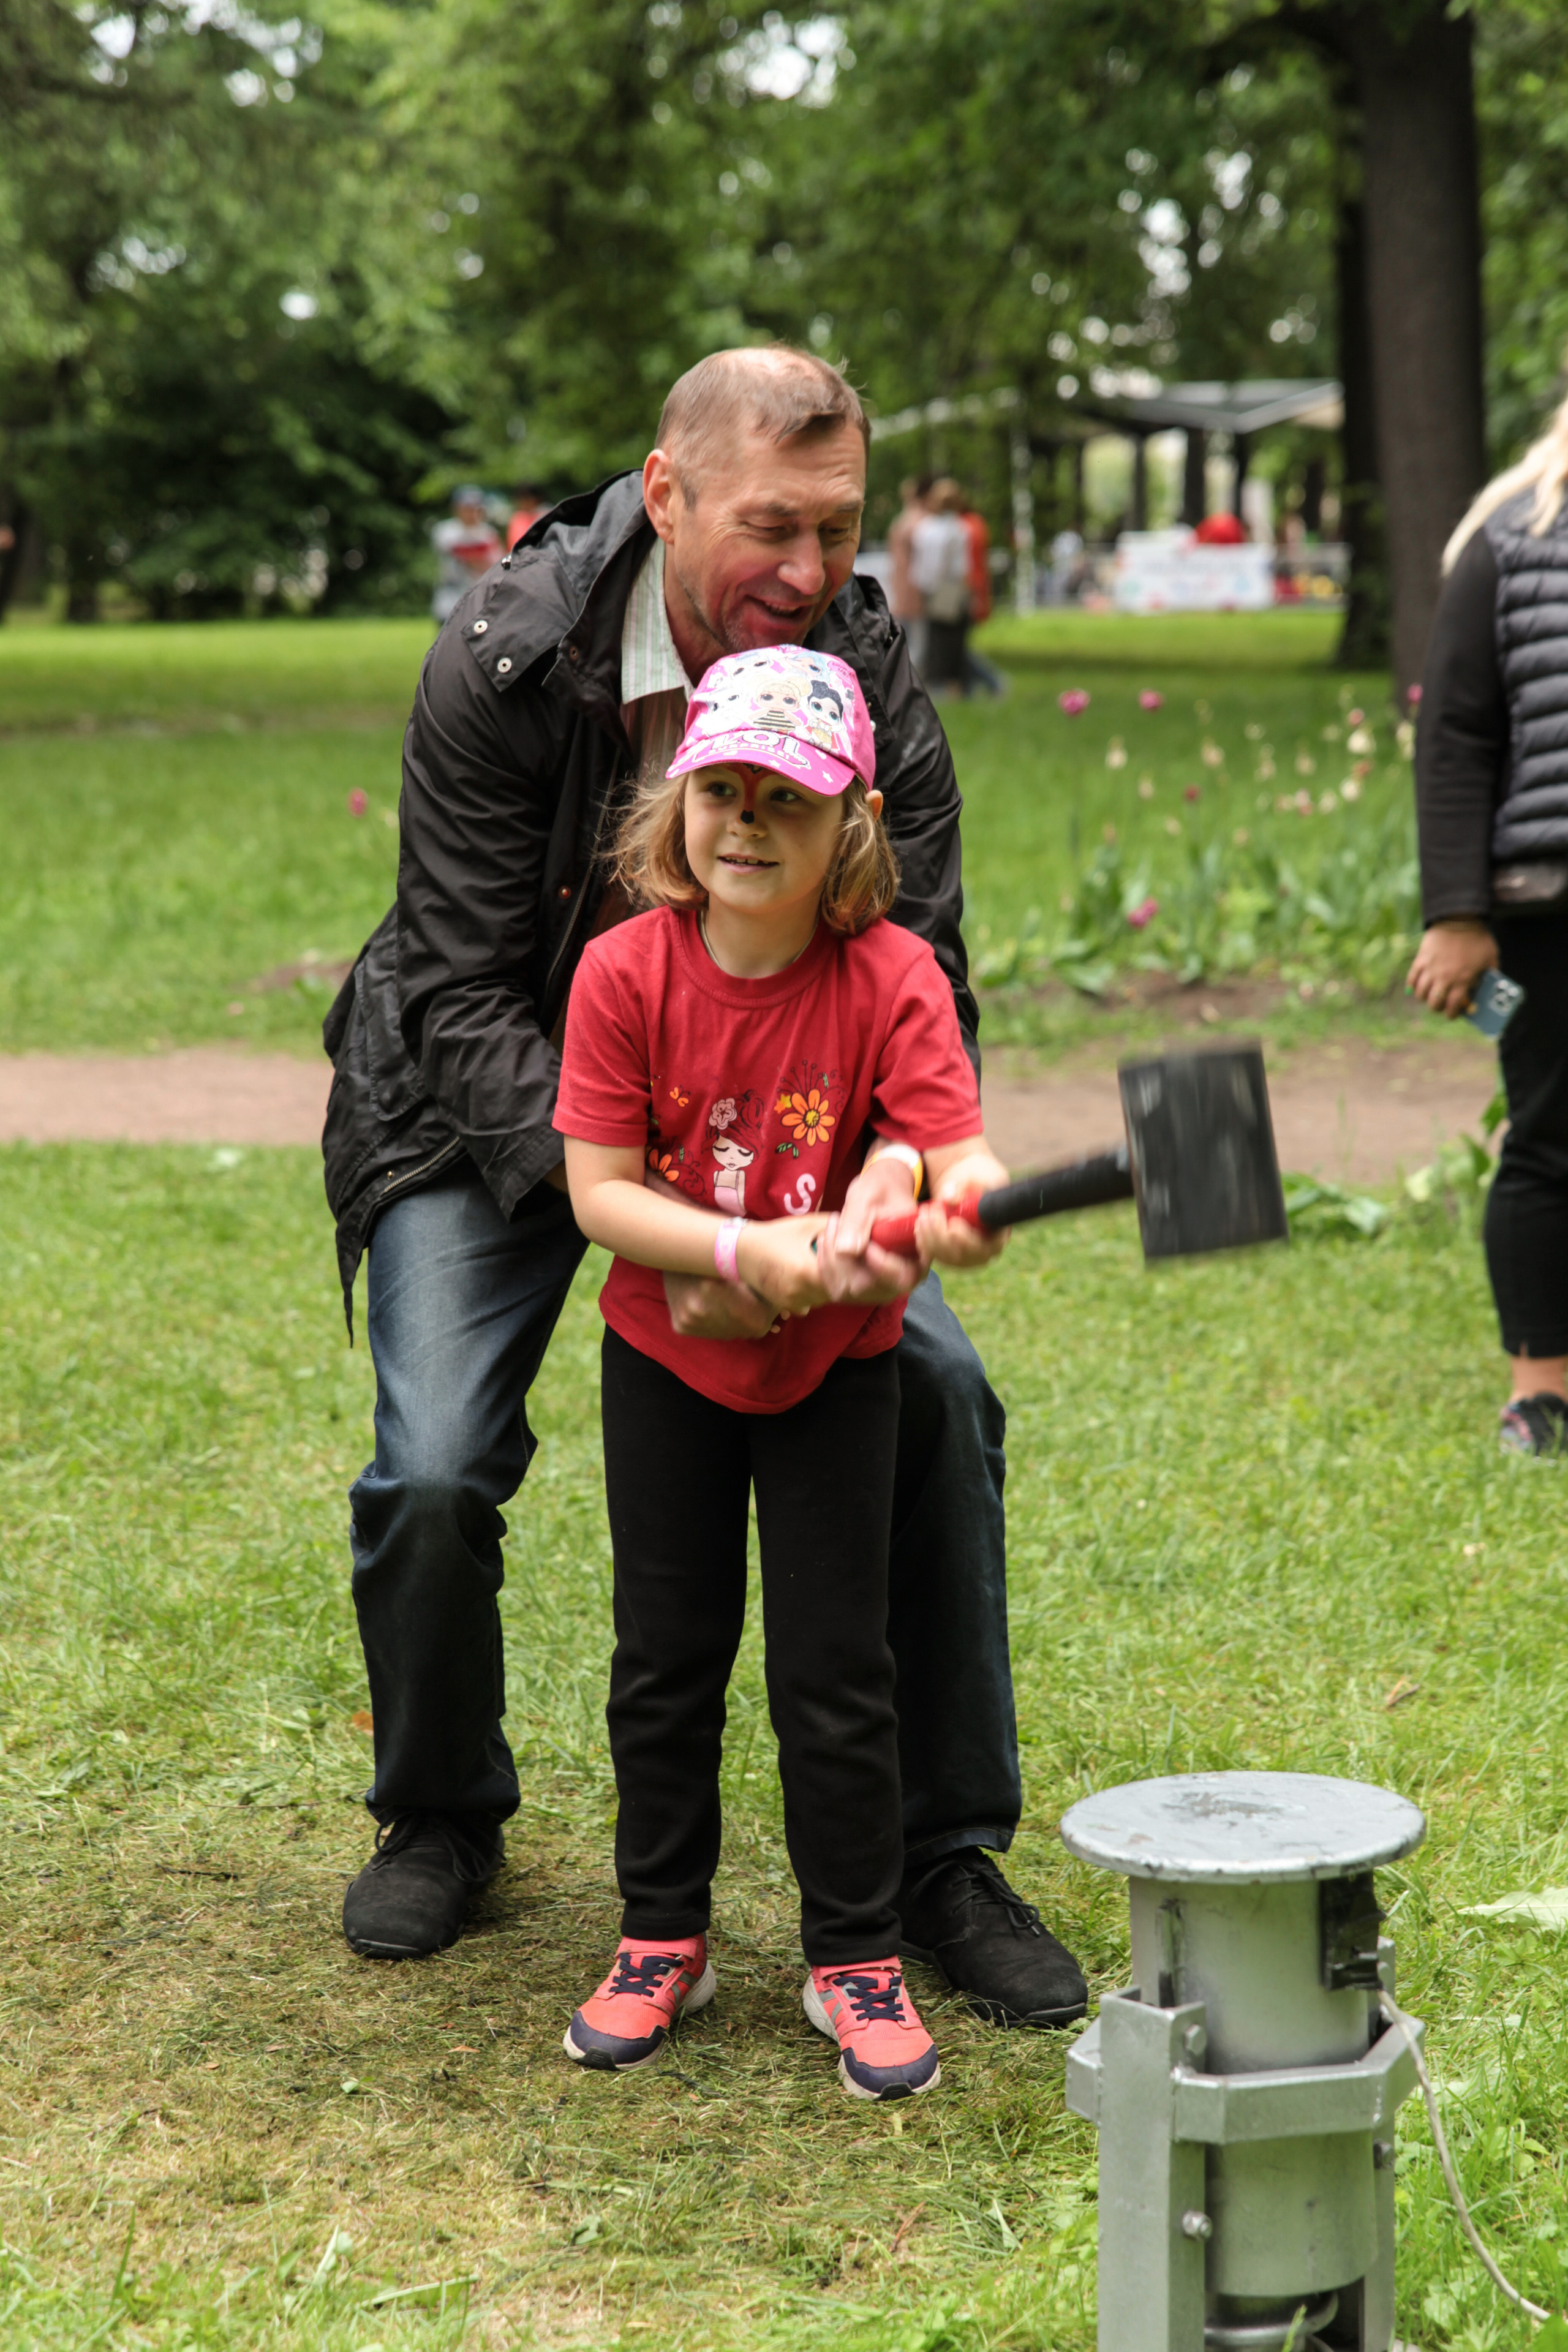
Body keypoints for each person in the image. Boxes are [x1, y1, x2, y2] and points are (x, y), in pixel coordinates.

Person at [322, 344, 1088, 2031]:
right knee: (433, 1463)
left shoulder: (866, 669)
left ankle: (942, 1854)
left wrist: (880, 1184)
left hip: (792, 1134)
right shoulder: (503, 653)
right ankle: (440, 1811)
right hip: (502, 1110)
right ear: (664, 497)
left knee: (942, 1396)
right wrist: (682, 1222)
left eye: (838, 528)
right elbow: (454, 990)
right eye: (770, 527)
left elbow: (921, 976)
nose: (810, 572)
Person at [554, 647, 1010, 2100]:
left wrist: (948, 1201)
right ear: (677, 802)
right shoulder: (623, 971)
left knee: (836, 1668)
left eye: (785, 802)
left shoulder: (890, 976)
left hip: (836, 1371)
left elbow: (951, 1147)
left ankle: (853, 1953)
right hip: (663, 1363)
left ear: (851, 824)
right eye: (722, 793)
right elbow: (598, 1193)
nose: (745, 825)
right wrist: (744, 1250)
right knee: (664, 1659)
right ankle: (658, 1931)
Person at [1408, 375, 1568, 1457]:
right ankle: (1541, 1392)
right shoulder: (1511, 540)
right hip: (1549, 905)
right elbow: (1456, 735)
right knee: (1550, 1140)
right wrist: (1457, 914)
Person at [910, 478, 971, 696]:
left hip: (931, 590)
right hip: (952, 590)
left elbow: (922, 566)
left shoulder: (925, 528)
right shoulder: (960, 528)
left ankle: (938, 684)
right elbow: (961, 567)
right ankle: (953, 685)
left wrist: (924, 588)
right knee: (954, 642)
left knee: (934, 639)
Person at [430, 487, 501, 624]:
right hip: (451, 594)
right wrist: (480, 558)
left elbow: (497, 563)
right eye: (467, 507)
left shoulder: (488, 532)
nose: (471, 512)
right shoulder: (446, 530)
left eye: (475, 507)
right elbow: (463, 554)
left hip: (479, 595)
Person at [960, 498, 1008, 698]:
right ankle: (968, 688)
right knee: (959, 645)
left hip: (967, 591)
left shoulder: (965, 527)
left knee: (958, 647)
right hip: (976, 589)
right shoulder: (976, 523)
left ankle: (992, 681)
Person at [887, 475, 930, 679]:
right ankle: (911, 680)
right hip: (914, 586)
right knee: (919, 640)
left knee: (904, 636)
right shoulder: (920, 521)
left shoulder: (900, 521)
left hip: (900, 584)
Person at [507, 484, 548, 552]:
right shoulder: (517, 518)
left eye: (527, 498)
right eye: (521, 498)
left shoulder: (545, 516)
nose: (524, 502)